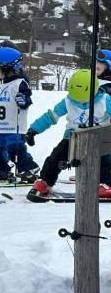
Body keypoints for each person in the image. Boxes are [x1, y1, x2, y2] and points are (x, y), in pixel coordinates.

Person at [26, 69, 111, 200]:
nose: (79, 102)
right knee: (56, 157)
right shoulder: (68, 101)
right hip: (73, 138)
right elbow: (51, 116)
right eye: (76, 99)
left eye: (83, 99)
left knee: (105, 159)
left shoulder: (105, 100)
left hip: (100, 138)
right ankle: (45, 182)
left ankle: (106, 184)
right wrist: (34, 130)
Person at [0, 47, 38, 183]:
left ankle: (28, 169)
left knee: (15, 149)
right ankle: (0, 169)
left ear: (6, 67)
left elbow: (27, 99)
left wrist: (24, 100)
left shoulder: (19, 83)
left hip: (13, 126)